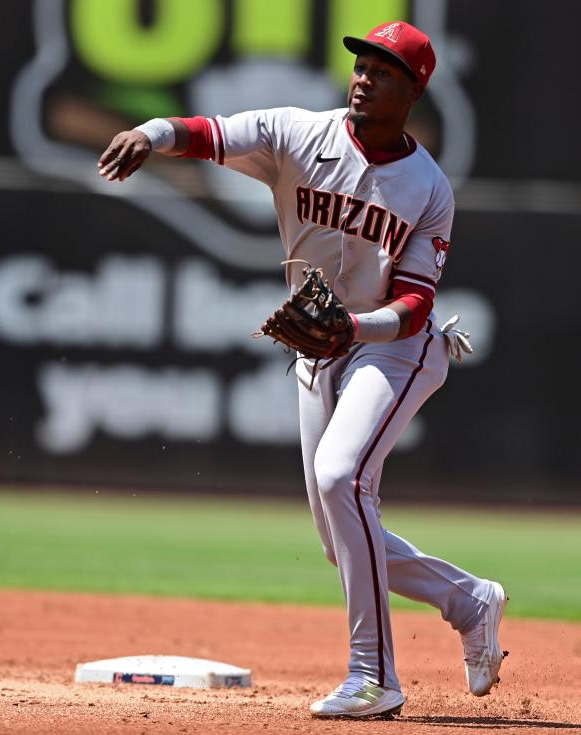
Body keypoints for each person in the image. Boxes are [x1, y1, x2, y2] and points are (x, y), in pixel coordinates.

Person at [98, 20, 506, 719]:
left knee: (341, 478)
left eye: (381, 70)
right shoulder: (297, 133)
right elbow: (205, 132)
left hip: (394, 348)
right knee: (337, 536)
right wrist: (150, 132)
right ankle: (466, 597)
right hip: (321, 345)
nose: (362, 77)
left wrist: (355, 326)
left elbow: (413, 304)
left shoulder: (427, 187)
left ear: (412, 89)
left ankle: (373, 675)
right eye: (360, 64)